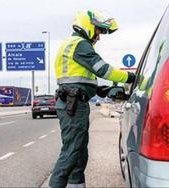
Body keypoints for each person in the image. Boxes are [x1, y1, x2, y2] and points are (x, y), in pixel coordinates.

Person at [49, 10, 136, 188]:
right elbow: (104, 69)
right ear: (88, 26)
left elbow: (77, 79)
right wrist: (131, 77)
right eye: (98, 31)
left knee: (79, 153)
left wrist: (99, 89)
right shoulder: (80, 45)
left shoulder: (72, 45)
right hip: (73, 104)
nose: (99, 36)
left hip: (73, 101)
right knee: (72, 152)